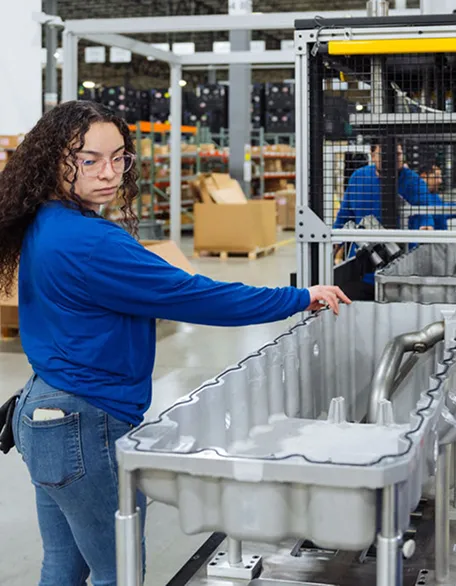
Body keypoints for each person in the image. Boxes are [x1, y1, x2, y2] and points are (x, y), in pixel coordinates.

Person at [0, 100, 350, 586]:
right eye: (90, 160)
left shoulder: (46, 221)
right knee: (117, 571)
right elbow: (194, 296)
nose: (110, 173)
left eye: (119, 158)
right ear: (55, 161)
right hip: (84, 423)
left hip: (44, 417)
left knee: (63, 565)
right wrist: (297, 297)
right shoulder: (89, 241)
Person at [333, 140, 453, 232]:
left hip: (402, 253)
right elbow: (345, 215)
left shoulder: (414, 182)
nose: (391, 159)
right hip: (363, 253)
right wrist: (335, 242)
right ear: (373, 155)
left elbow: (424, 211)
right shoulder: (358, 177)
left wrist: (427, 226)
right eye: (384, 154)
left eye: (397, 154)